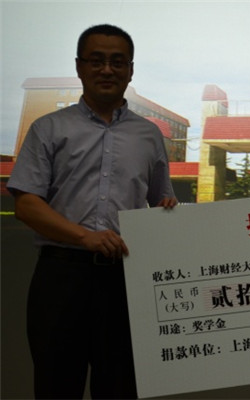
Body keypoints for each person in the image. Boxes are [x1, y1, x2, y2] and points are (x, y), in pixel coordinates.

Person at [7, 24, 177, 399]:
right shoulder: (48, 128)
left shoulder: (149, 135)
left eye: (118, 62)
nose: (107, 70)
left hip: (126, 281)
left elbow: (160, 201)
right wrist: (86, 237)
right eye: (96, 60)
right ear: (79, 66)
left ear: (130, 70)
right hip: (61, 277)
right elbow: (27, 205)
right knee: (56, 386)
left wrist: (167, 211)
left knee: (120, 387)